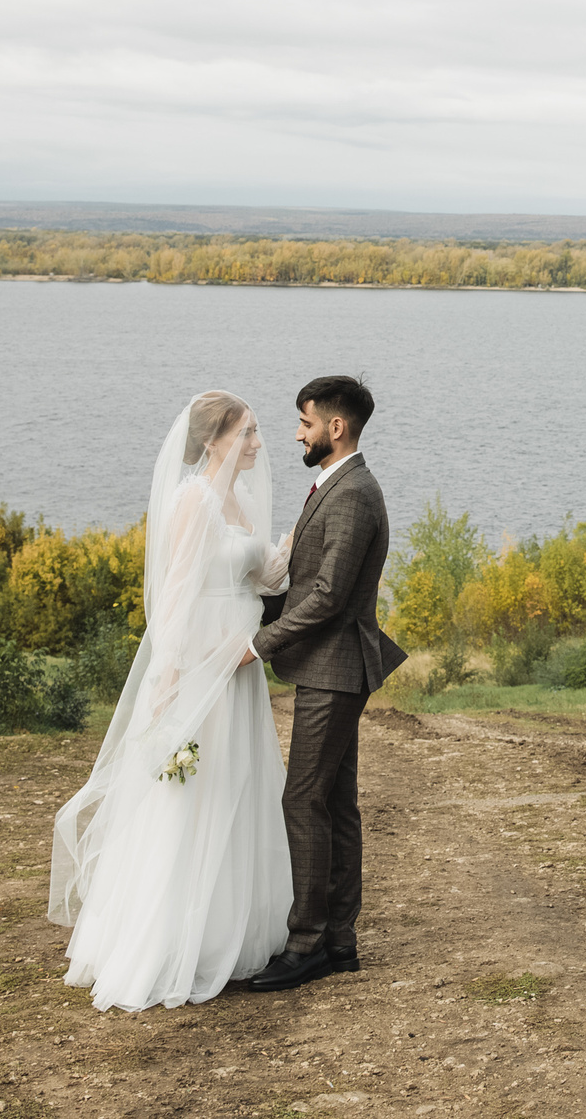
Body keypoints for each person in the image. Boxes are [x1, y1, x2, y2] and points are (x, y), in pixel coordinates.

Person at [47, 390, 293, 1011]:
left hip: (240, 662)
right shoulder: (194, 500)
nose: (258, 443)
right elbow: (176, 594)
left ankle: (230, 932)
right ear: (213, 440)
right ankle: (167, 942)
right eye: (246, 433)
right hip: (203, 661)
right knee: (191, 794)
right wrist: (171, 679)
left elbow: (264, 577)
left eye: (257, 431)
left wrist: (295, 543)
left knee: (237, 784)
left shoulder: (240, 499)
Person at [243, 375, 406, 992]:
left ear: (335, 428)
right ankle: (339, 942)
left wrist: (258, 644)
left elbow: (330, 595)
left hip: (336, 669)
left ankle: (307, 943)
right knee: (335, 803)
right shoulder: (337, 485)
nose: (298, 434)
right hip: (331, 667)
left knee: (302, 800)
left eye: (305, 423)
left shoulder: (354, 493)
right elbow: (308, 581)